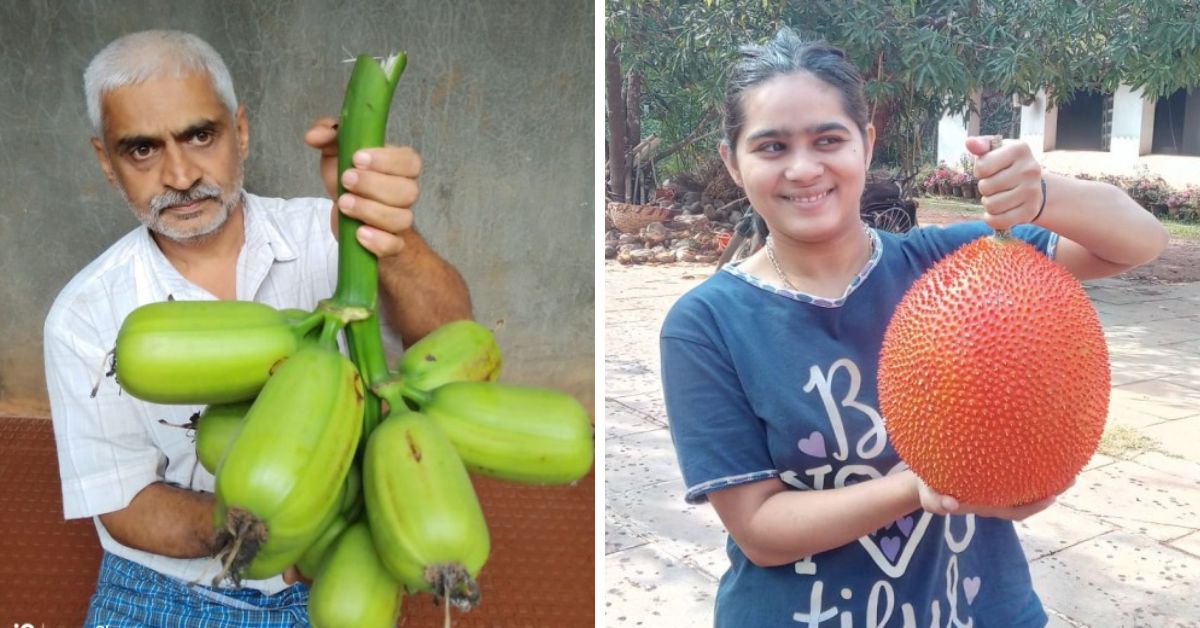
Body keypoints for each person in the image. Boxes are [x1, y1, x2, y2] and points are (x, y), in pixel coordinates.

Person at [659, 28, 1168, 627]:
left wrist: (1040, 194)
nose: (804, 168)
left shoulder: (953, 263)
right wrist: (916, 486)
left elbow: (1140, 242)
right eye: (771, 147)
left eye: (829, 139)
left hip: (981, 609)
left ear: (867, 144)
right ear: (732, 162)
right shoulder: (705, 325)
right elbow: (760, 530)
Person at [43, 30, 471, 625]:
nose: (179, 174)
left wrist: (383, 233)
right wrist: (265, 530)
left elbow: (452, 344)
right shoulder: (86, 312)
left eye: (200, 135)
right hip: (167, 582)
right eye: (141, 149)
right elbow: (121, 501)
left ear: (239, 131)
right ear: (106, 162)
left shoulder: (329, 240)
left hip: (332, 575)